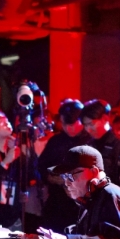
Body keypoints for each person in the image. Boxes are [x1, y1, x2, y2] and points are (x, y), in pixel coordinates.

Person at [39, 99, 90, 232]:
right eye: (64, 124)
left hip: (82, 206)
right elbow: (41, 165)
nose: (68, 128)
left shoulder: (90, 141)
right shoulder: (56, 141)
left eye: (72, 124)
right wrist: (49, 177)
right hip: (57, 203)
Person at [81, 99, 120, 180]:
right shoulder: (88, 144)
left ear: (105, 118)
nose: (88, 129)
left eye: (91, 124)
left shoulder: (118, 143)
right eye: (85, 125)